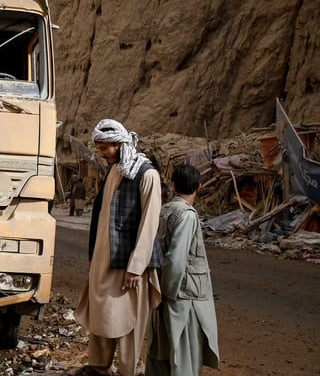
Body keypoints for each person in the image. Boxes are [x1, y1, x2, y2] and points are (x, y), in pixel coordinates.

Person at [73, 119, 163, 376]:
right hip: (105, 263)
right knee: (103, 316)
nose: (102, 154)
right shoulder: (114, 171)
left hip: (130, 267)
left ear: (119, 144)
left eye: (104, 148)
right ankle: (100, 366)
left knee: (127, 322)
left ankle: (127, 370)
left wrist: (136, 267)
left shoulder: (147, 175)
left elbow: (149, 225)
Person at [145, 165, 219, 375]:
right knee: (183, 356)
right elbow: (176, 260)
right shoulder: (187, 215)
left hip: (166, 290)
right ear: (198, 187)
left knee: (163, 352)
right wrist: (167, 293)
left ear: (174, 185)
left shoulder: (164, 210)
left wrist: (159, 291)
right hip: (183, 296)